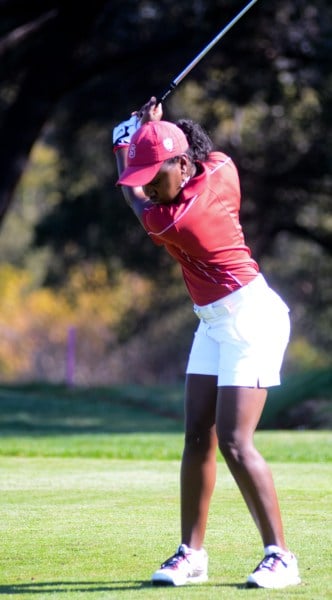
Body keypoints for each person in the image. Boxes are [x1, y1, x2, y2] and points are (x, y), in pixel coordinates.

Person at [112, 97, 301, 589]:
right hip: (213, 321)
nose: (150, 185)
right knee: (198, 435)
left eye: (157, 174)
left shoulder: (178, 219)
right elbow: (206, 154)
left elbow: (139, 208)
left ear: (182, 164)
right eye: (143, 175)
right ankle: (191, 554)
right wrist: (152, 131)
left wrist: (122, 141)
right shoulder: (219, 169)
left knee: (235, 441)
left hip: (250, 320)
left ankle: (281, 556)